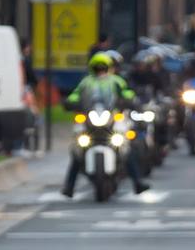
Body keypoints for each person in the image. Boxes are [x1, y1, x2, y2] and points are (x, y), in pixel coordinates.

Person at [62, 52, 148, 197]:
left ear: (109, 67)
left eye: (103, 67)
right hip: (90, 119)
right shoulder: (86, 82)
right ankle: (69, 186)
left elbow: (126, 92)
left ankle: (138, 182)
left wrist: (130, 99)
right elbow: (75, 94)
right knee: (77, 150)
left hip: (112, 118)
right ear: (92, 68)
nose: (100, 71)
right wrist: (71, 101)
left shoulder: (116, 81)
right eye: (97, 68)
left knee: (126, 148)